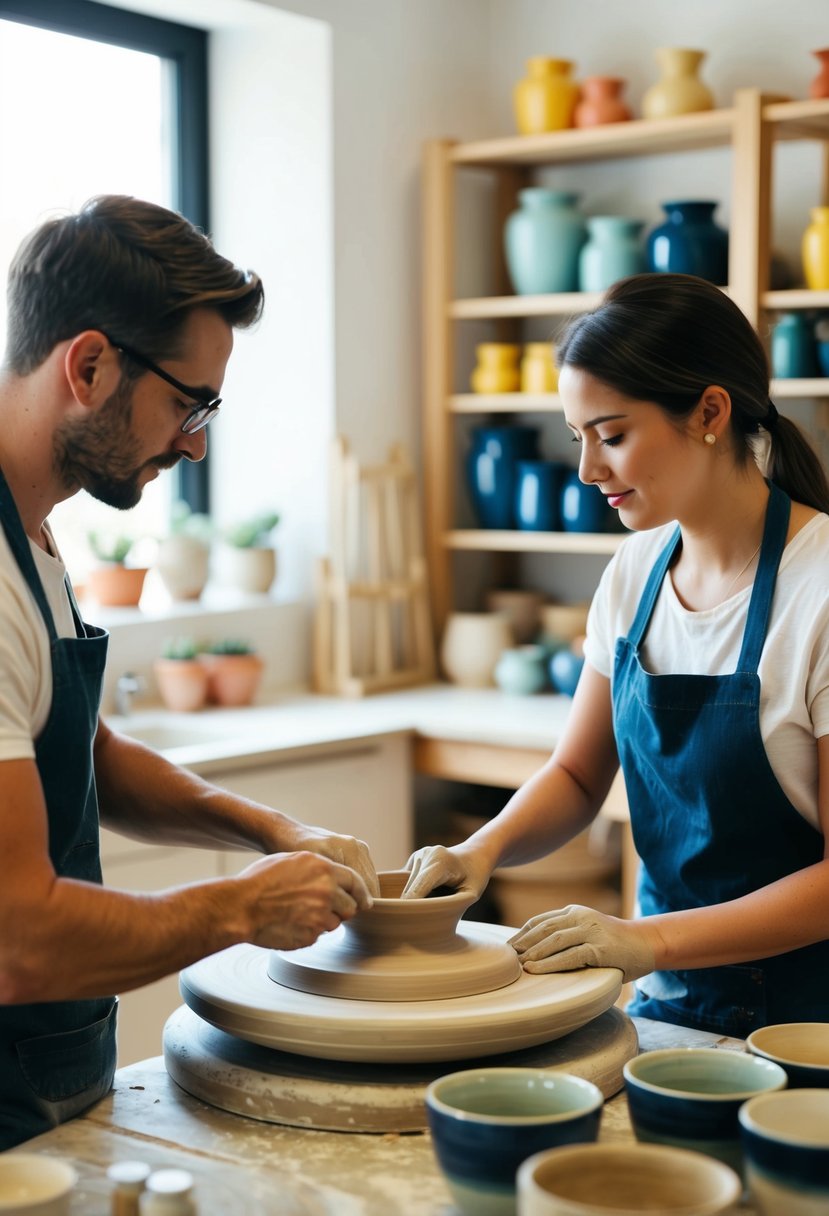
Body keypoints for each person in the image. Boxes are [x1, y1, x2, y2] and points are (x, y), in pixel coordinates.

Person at [0, 195, 378, 1150]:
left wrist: (265, 829)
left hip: (47, 1079)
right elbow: (18, 936)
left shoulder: (36, 538)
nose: (196, 441)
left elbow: (83, 750)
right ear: (88, 365)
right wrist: (243, 908)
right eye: (187, 402)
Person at [404, 272, 829, 1037]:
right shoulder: (635, 572)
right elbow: (575, 774)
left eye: (612, 434)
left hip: (807, 1029)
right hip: (670, 1007)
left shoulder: (819, 588)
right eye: (577, 438)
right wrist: (481, 850)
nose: (587, 470)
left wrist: (644, 940)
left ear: (708, 412)